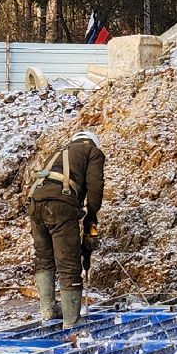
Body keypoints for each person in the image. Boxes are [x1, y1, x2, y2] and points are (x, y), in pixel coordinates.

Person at [26, 129, 104, 328]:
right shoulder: (92, 152)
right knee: (68, 262)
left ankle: (49, 310)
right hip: (60, 206)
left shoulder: (58, 153)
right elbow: (95, 187)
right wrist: (92, 216)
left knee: (44, 258)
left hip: (35, 204)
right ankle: (72, 320)